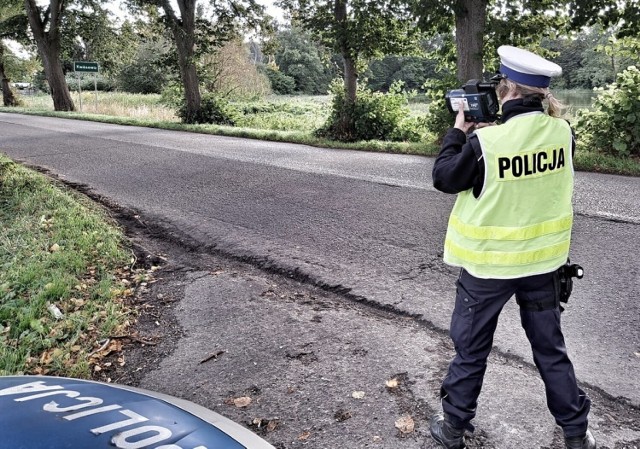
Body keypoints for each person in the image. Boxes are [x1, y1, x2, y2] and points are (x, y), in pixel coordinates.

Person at [429, 46, 596, 449]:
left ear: (505, 89)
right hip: (543, 265)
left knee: (471, 350)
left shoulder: (487, 144)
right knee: (550, 350)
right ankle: (576, 434)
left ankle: (453, 429)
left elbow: (444, 177)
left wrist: (459, 132)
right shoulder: (563, 133)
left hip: (488, 271)